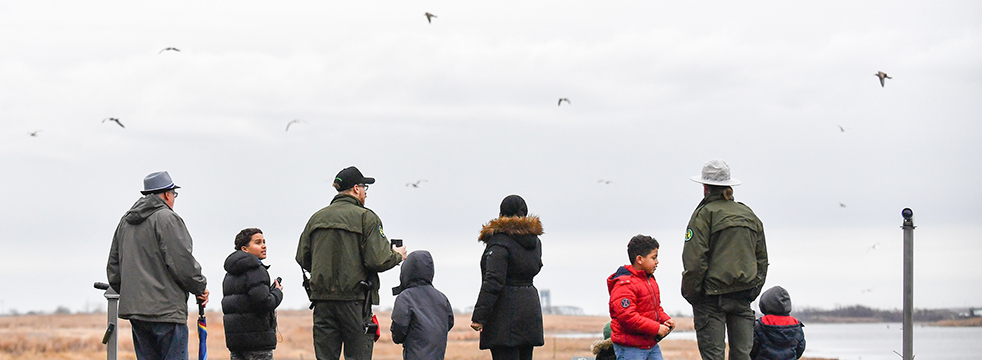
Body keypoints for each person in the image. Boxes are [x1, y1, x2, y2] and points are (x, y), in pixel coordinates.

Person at [296, 166, 407, 360]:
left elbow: (302, 257)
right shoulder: (367, 217)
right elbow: (378, 260)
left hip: (322, 302)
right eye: (365, 187)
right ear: (356, 188)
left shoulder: (316, 218)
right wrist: (397, 255)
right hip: (355, 302)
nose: (365, 193)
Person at [107, 171, 209, 360]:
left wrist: (133, 294)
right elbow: (182, 263)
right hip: (167, 311)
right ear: (166, 194)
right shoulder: (167, 218)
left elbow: (114, 269)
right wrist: (200, 287)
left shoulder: (125, 222)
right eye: (174, 195)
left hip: (137, 314)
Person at [682, 159, 768, 360]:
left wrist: (694, 295)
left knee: (713, 356)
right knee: (742, 356)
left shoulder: (703, 215)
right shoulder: (749, 214)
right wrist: (752, 290)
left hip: (710, 297)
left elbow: (694, 261)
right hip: (743, 296)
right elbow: (762, 259)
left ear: (705, 187)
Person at [470, 194, 544, 360]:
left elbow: (493, 281)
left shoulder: (499, 242)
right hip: (529, 309)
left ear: (501, 216)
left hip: (504, 316)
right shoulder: (534, 242)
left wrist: (479, 317)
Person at [607, 234, 676, 360]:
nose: (657, 261)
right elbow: (628, 317)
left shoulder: (649, 281)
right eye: (653, 257)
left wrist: (664, 319)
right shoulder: (624, 285)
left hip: (650, 344)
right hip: (630, 347)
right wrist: (656, 328)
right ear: (639, 259)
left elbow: (654, 308)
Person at [222, 228, 284, 360]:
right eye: (258, 242)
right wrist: (277, 292)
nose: (264, 246)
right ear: (244, 249)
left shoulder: (230, 274)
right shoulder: (257, 270)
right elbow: (264, 303)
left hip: (236, 343)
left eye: (264, 242)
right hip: (258, 343)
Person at [390, 250, 454, 360]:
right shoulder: (442, 298)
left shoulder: (405, 297)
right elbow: (450, 322)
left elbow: (399, 328)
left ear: (406, 271)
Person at [751, 286, 805, 360]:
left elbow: (752, 349)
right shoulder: (796, 326)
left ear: (764, 304)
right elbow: (800, 349)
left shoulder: (759, 325)